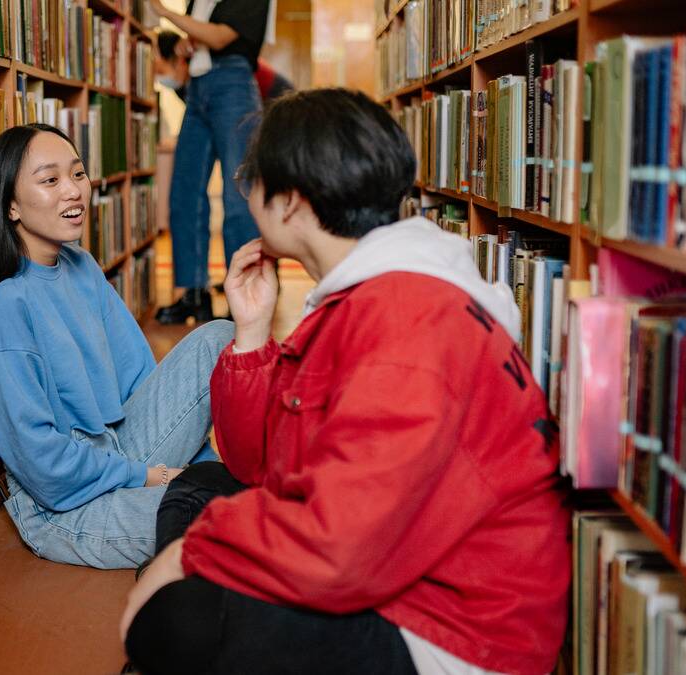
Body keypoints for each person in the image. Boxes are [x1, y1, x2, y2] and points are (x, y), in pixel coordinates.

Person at [119, 89, 570, 674]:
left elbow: (341, 551)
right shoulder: (370, 292)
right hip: (401, 569)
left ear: (291, 202)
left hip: (447, 634)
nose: (245, 196)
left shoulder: (405, 322)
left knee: (176, 620)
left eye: (250, 181)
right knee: (203, 485)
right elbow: (260, 463)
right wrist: (252, 333)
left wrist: (192, 553)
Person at [0, 123, 234, 570]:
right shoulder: (6, 306)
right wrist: (154, 478)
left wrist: (203, 471)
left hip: (121, 449)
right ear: (10, 206)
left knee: (218, 335)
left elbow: (141, 381)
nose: (73, 191)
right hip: (65, 507)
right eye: (50, 180)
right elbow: (44, 467)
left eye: (78, 174)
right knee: (230, 517)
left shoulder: (80, 264)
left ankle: (210, 490)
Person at [149, 0, 271, 325]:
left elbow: (219, 38)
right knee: (184, 191)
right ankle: (192, 294)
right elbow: (203, 39)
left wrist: (165, 13)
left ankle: (243, 297)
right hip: (198, 85)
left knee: (238, 193)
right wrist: (189, 41)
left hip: (233, 85)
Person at [155, 30, 294, 104]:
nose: (159, 78)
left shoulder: (205, 63)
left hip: (274, 90)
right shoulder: (184, 89)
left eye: (159, 71)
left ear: (179, 59)